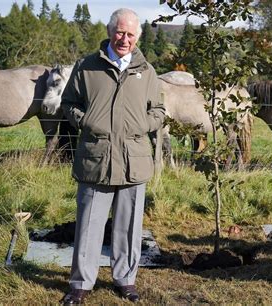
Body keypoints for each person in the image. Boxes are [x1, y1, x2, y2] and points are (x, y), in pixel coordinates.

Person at [60, 8, 165, 305]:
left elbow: (158, 110)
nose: (125, 39)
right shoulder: (87, 67)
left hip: (134, 159)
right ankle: (81, 283)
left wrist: (142, 126)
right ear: (109, 32)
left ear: (137, 37)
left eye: (131, 34)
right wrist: (87, 121)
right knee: (89, 223)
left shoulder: (147, 71)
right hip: (97, 157)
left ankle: (126, 280)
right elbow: (69, 103)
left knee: (129, 225)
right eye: (120, 32)